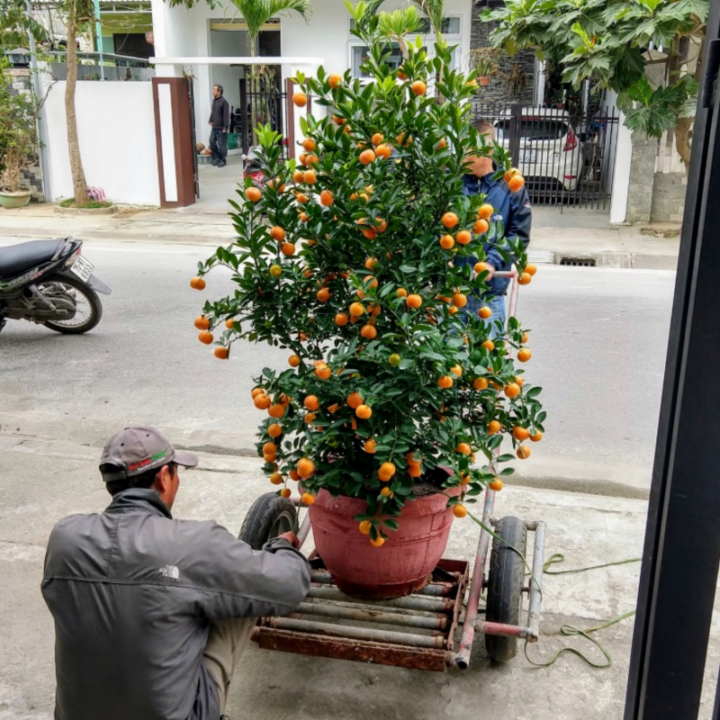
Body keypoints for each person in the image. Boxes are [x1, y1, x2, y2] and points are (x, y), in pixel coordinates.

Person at [41, 426, 310, 720]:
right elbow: (291, 585)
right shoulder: (194, 543)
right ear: (163, 478)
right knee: (243, 589)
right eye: (176, 472)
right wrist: (281, 548)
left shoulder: (65, 537)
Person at [459, 118, 532, 330]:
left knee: (490, 361)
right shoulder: (452, 185)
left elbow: (519, 235)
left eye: (468, 150)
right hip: (453, 293)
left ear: (487, 152)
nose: (463, 156)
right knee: (447, 359)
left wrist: (491, 262)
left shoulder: (511, 186)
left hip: (490, 296)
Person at [209, 84, 230, 168]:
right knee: (211, 141)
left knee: (222, 145)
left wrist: (225, 127)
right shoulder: (214, 101)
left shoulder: (224, 102)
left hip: (221, 128)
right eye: (212, 89)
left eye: (214, 89)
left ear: (219, 91)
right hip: (214, 127)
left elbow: (226, 115)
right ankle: (216, 158)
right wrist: (210, 119)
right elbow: (213, 112)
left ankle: (223, 160)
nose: (212, 91)